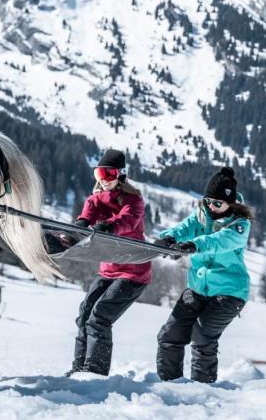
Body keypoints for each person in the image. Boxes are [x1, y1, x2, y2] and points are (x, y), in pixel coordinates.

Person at [154, 166, 253, 383]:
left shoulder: (240, 225)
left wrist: (193, 245)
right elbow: (182, 228)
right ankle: (170, 386)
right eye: (208, 200)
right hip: (198, 289)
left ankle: (201, 390)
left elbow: (218, 241)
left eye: (217, 203)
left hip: (230, 292)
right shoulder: (200, 215)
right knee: (170, 335)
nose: (211, 206)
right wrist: (169, 238)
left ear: (231, 202)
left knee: (202, 335)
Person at [66, 149, 151, 376]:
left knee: (99, 318)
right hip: (109, 269)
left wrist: (108, 226)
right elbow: (87, 215)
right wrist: (80, 227)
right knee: (84, 314)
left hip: (133, 273)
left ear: (120, 175)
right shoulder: (95, 199)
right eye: (99, 174)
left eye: (109, 174)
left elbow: (128, 221)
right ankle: (79, 369)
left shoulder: (134, 200)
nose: (103, 180)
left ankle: (94, 373)